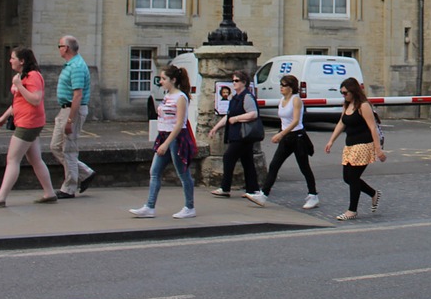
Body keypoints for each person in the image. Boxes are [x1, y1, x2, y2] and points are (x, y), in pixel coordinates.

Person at [0, 47, 59, 207]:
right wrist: (4, 116)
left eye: (13, 58)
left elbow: (36, 99)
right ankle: (50, 193)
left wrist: (19, 85)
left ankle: (0, 198)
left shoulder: (33, 76)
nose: (10, 60)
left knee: (12, 159)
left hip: (28, 123)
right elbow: (19, 101)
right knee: (35, 159)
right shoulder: (23, 76)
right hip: (26, 121)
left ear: (22, 61)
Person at [129, 64, 197, 219]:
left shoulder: (181, 97)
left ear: (173, 80)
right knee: (154, 171)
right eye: (161, 78)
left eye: (164, 78)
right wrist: (161, 139)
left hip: (176, 139)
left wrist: (166, 144)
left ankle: (189, 207)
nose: (161, 81)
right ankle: (149, 207)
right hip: (164, 136)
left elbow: (180, 123)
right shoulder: (167, 96)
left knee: (183, 173)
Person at [248, 74, 319, 209]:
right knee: (274, 165)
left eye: (284, 85)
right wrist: (280, 133)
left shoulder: (296, 100)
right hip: (286, 137)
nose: (281, 87)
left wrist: (281, 134)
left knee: (304, 167)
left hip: (298, 137)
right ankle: (264, 195)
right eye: (280, 85)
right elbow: (284, 121)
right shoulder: (282, 100)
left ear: (291, 88)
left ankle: (313, 195)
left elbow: (296, 121)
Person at [324, 77, 386, 220]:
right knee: (347, 177)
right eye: (342, 93)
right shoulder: (347, 105)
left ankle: (352, 210)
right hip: (350, 145)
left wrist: (378, 149)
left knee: (353, 177)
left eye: (345, 93)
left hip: (363, 144)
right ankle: (373, 193)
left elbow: (372, 127)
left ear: (353, 91)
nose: (344, 96)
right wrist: (331, 140)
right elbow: (341, 122)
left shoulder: (363, 105)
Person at [208, 70, 264, 201]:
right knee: (247, 161)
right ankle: (253, 189)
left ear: (244, 83)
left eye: (237, 81)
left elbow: (253, 114)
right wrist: (215, 128)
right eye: (233, 80)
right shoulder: (235, 98)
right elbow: (228, 116)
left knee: (228, 157)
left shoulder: (247, 96)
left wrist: (237, 118)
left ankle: (225, 188)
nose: (234, 83)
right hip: (237, 134)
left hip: (243, 135)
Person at [51, 35, 95, 198]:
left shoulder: (76, 66)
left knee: (68, 149)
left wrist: (70, 119)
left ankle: (69, 188)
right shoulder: (71, 64)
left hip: (72, 110)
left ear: (66, 48)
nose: (59, 48)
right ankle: (85, 173)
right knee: (55, 146)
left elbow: (77, 95)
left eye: (59, 45)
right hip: (65, 109)